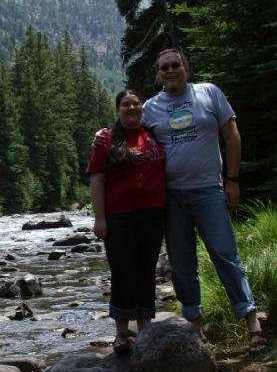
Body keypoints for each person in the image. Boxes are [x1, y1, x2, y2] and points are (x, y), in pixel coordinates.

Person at [99, 48, 266, 351]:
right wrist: (103, 135)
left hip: (209, 190)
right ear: (158, 75)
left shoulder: (209, 93)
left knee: (226, 256)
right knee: (182, 265)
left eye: (176, 65)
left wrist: (232, 180)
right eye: (164, 68)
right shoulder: (151, 107)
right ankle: (195, 327)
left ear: (185, 68)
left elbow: (232, 136)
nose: (171, 70)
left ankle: (252, 323)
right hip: (171, 198)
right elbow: (129, 126)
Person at [87, 89, 166, 353]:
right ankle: (121, 333)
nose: (131, 108)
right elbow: (97, 180)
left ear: (142, 107)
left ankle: (144, 330)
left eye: (135, 104)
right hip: (119, 216)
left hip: (153, 214)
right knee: (122, 272)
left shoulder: (154, 134)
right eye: (125, 105)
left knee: (146, 271)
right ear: (118, 109)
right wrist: (100, 219)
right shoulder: (107, 140)